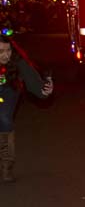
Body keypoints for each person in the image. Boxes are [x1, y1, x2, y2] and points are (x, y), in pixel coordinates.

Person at [0, 32, 53, 182]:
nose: (6, 55)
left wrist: (44, 90)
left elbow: (34, 81)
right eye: (1, 52)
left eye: (8, 50)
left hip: (9, 89)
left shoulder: (16, 61)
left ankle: (6, 165)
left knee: (4, 119)